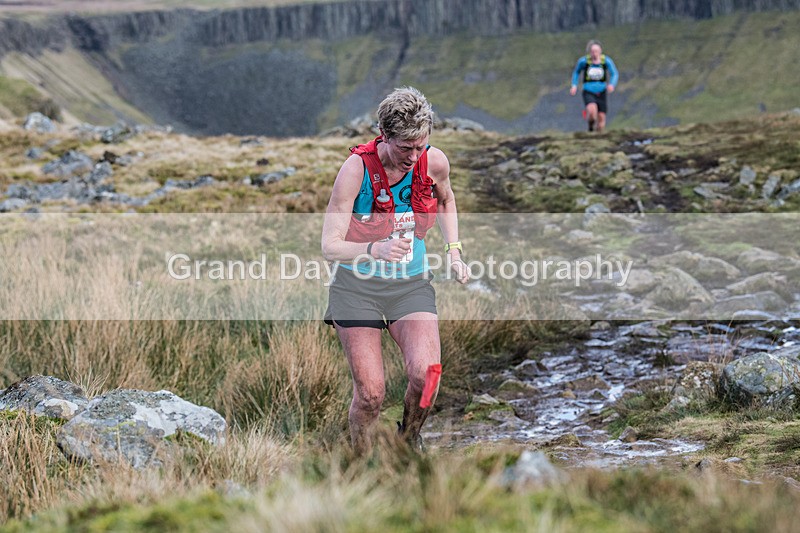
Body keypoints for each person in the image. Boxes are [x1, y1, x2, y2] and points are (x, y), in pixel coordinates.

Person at [321, 86, 469, 454]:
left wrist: (454, 253)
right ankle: (359, 459)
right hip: (357, 290)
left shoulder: (434, 162)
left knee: (428, 375)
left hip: (411, 286)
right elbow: (330, 246)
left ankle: (409, 440)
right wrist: (375, 248)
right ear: (384, 136)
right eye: (406, 148)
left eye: (421, 145)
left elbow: (446, 200)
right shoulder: (354, 171)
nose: (414, 156)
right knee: (371, 395)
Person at [570, 39, 619, 132]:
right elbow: (576, 72)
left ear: (600, 51)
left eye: (596, 51)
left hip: (602, 91)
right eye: (592, 51)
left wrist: (612, 84)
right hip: (588, 90)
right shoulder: (584, 61)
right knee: (592, 112)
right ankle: (590, 126)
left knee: (601, 119)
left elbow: (614, 73)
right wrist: (574, 85)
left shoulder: (606, 61)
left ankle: (598, 137)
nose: (594, 54)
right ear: (589, 52)